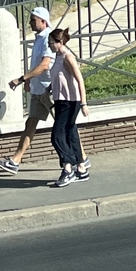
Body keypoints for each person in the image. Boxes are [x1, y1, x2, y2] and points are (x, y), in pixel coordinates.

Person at [0, 7, 90, 175]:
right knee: (30, 123)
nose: (30, 22)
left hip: (51, 91)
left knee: (67, 127)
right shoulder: (39, 39)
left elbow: (45, 65)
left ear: (43, 21)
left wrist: (22, 79)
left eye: (33, 19)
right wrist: (29, 80)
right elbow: (37, 65)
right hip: (39, 90)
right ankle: (15, 161)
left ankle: (81, 159)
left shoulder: (50, 38)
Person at [47, 27, 89, 188]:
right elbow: (60, 76)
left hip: (70, 102)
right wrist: (50, 88)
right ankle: (81, 168)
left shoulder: (67, 57)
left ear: (60, 42)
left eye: (51, 43)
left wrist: (84, 103)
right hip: (60, 100)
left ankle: (68, 167)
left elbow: (79, 80)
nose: (49, 46)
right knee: (71, 132)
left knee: (57, 135)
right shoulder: (57, 56)